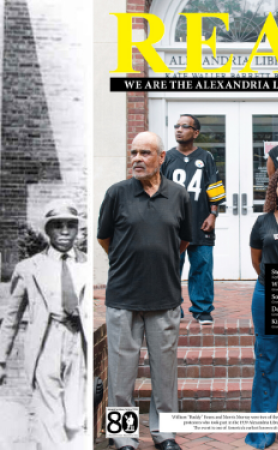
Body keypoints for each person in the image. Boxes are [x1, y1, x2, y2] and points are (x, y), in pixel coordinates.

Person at [97, 132, 192, 450]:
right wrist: (127, 262)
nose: (137, 158)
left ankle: (165, 435)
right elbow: (104, 238)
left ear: (161, 157)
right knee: (121, 370)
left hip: (164, 295)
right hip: (123, 295)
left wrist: (157, 259)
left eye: (145, 153)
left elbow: (183, 241)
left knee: (164, 372)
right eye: (133, 152)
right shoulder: (116, 193)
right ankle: (123, 436)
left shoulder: (179, 195)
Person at [0, 200, 88, 450]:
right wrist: (0, 360)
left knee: (76, 415)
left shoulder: (88, 266)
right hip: (48, 339)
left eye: (71, 225)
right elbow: (11, 317)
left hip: (79, 341)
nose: (65, 231)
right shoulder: (29, 268)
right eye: (58, 226)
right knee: (49, 414)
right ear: (48, 231)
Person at [161, 114, 226, 324]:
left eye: (185, 126)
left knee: (203, 267)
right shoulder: (167, 158)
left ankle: (202, 309)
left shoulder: (206, 157)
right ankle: (172, 308)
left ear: (195, 132)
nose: (179, 130)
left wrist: (213, 213)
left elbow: (214, 187)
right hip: (173, 225)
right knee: (172, 267)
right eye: (176, 126)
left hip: (201, 222)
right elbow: (157, 188)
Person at [245, 171, 278, 449]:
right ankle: (263, 432)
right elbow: (258, 262)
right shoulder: (262, 222)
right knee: (267, 362)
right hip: (270, 292)